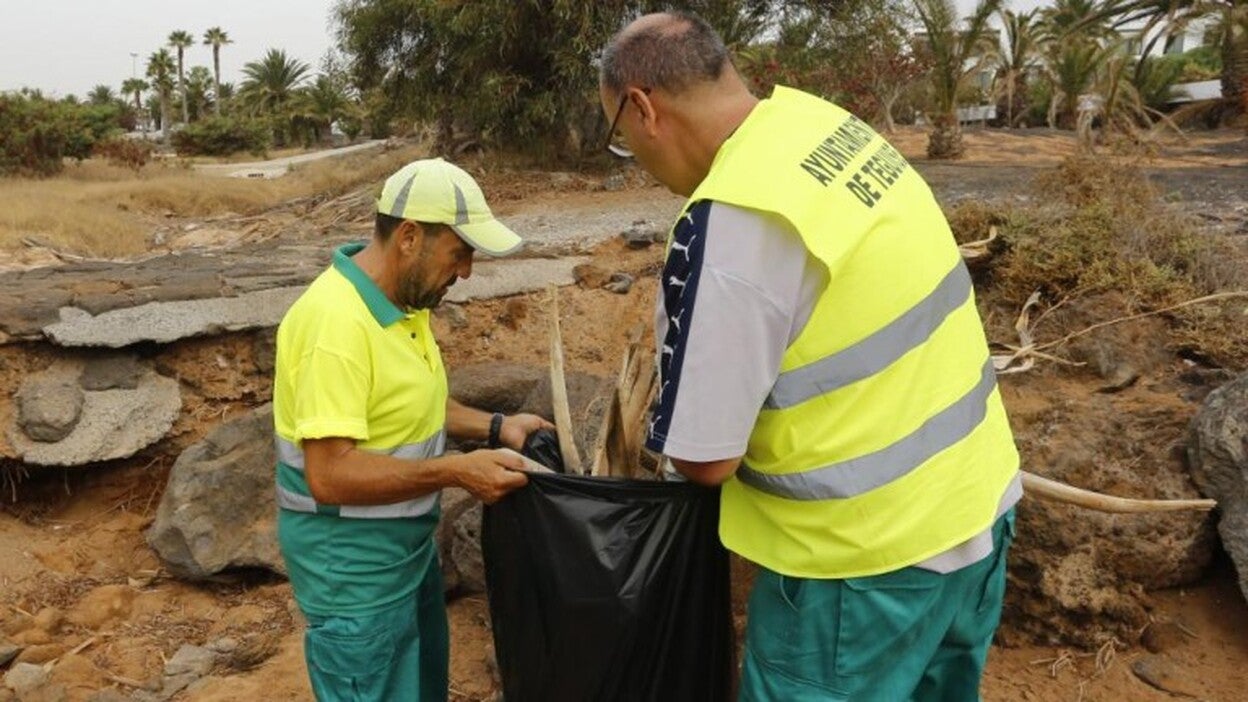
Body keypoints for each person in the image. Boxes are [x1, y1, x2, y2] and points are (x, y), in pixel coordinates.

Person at [600, 12, 1022, 701]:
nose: (634, 158)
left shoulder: (733, 219)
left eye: (620, 139)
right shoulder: (826, 129)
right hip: (978, 511)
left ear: (642, 107)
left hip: (858, 575)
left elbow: (704, 457)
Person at [273, 157, 552, 701]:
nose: (467, 270)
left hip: (407, 553)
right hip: (354, 577)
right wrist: (455, 472)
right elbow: (329, 475)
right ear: (408, 237)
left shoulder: (404, 302)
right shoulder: (335, 325)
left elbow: (412, 404)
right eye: (460, 252)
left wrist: (498, 427)